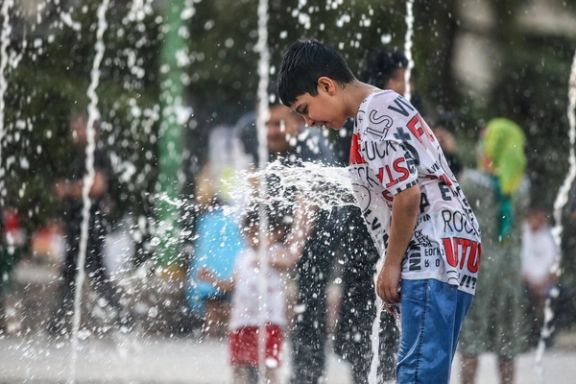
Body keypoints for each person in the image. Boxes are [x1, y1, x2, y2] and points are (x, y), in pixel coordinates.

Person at [278, 39, 481, 383]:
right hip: (452, 249)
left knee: (417, 374)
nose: (308, 121)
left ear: (326, 86)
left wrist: (391, 264)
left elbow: (408, 197)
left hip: (431, 253)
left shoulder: (373, 116)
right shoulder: (386, 105)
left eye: (303, 108)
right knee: (427, 368)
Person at [235, 103, 338, 384]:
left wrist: (293, 248)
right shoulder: (251, 135)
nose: (270, 131)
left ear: (296, 123)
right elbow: (253, 190)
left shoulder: (311, 145)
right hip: (283, 224)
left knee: (310, 298)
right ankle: (255, 367)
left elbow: (308, 201)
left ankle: (307, 375)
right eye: (265, 124)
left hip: (322, 230)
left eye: (277, 124)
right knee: (259, 295)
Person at [197, 200, 313, 384]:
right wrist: (213, 279)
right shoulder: (242, 257)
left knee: (269, 367)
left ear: (275, 233)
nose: (252, 238)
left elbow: (289, 261)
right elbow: (231, 285)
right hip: (241, 323)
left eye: (257, 233)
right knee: (238, 366)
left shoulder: (276, 252)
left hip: (268, 324)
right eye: (248, 233)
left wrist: (267, 259)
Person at [458, 118, 529, 384]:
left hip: (478, 267)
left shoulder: (472, 182)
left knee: (471, 337)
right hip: (510, 270)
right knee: (507, 338)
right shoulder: (520, 186)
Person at [48, 112, 125, 336]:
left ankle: (123, 321)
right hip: (78, 226)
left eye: (80, 128)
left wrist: (67, 189)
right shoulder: (81, 157)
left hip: (89, 227)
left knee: (95, 275)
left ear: (94, 131)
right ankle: (55, 326)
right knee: (72, 276)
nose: (76, 133)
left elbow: (97, 187)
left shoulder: (98, 155)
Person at [521, 207, 558, 346]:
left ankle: (544, 336)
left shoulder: (548, 237)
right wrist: (528, 280)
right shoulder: (524, 235)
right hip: (525, 281)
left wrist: (542, 283)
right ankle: (528, 336)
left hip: (544, 283)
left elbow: (553, 264)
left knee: (546, 300)